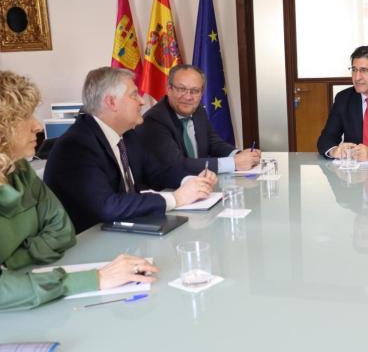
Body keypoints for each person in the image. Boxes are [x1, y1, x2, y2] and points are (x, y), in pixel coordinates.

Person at [0, 71, 158, 311]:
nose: (37, 125)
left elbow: (61, 230)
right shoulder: (74, 145)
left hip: (33, 293)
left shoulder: (19, 169)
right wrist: (95, 279)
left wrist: (12, 262)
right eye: (24, 116)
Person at [44, 67, 216, 233]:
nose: (142, 101)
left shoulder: (127, 135)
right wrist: (175, 199)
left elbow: (157, 173)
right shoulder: (76, 146)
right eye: (134, 95)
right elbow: (107, 207)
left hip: (124, 232)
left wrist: (191, 181)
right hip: (88, 243)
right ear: (111, 102)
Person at [136, 64, 260, 174]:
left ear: (201, 93)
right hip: (169, 192)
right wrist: (233, 163)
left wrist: (240, 155)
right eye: (181, 89)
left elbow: (214, 143)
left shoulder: (198, 110)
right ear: (169, 89)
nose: (188, 97)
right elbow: (177, 165)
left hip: (201, 187)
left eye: (195, 91)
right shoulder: (154, 121)